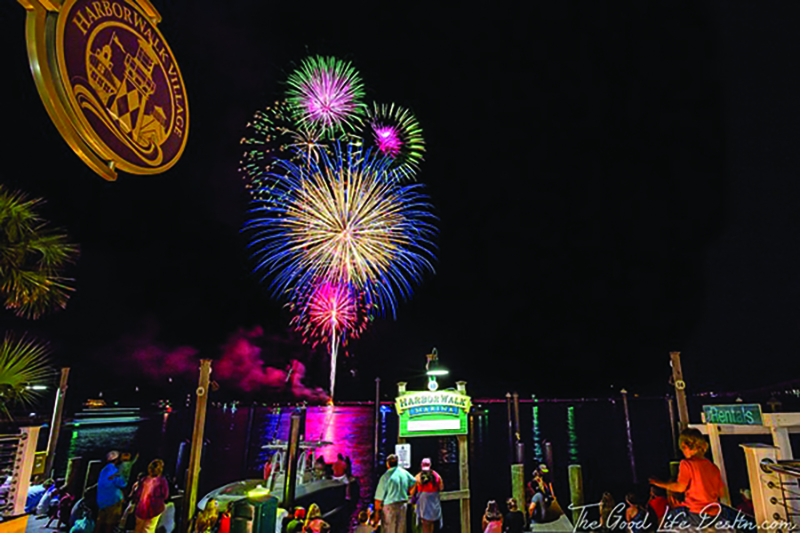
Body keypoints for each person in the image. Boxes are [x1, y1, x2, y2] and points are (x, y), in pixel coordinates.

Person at [650, 428, 723, 531]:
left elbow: (680, 487)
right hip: (714, 514)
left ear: (685, 445)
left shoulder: (687, 464)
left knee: (665, 522)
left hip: (695, 514)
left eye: (683, 449)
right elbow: (721, 492)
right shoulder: (713, 467)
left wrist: (658, 483)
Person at [373, 454, 416, 533]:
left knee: (389, 530)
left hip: (390, 507)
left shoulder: (385, 476)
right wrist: (410, 494)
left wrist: (376, 515)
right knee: (401, 530)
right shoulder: (404, 473)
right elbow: (414, 482)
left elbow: (378, 499)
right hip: (402, 505)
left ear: (387, 464)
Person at [134, 459, 170, 533]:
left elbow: (138, 493)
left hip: (144, 508)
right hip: (152, 509)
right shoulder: (162, 481)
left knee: (139, 528)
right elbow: (165, 495)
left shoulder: (144, 480)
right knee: (148, 529)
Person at [97, 450, 128, 533]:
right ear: (116, 460)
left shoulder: (103, 470)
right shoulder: (115, 471)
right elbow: (123, 483)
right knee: (110, 524)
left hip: (101, 500)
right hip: (113, 501)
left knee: (100, 522)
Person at [412, 458, 443, 533]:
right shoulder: (436, 475)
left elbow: (412, 490)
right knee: (431, 523)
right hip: (433, 502)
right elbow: (441, 487)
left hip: (424, 503)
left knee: (425, 524)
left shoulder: (418, 476)